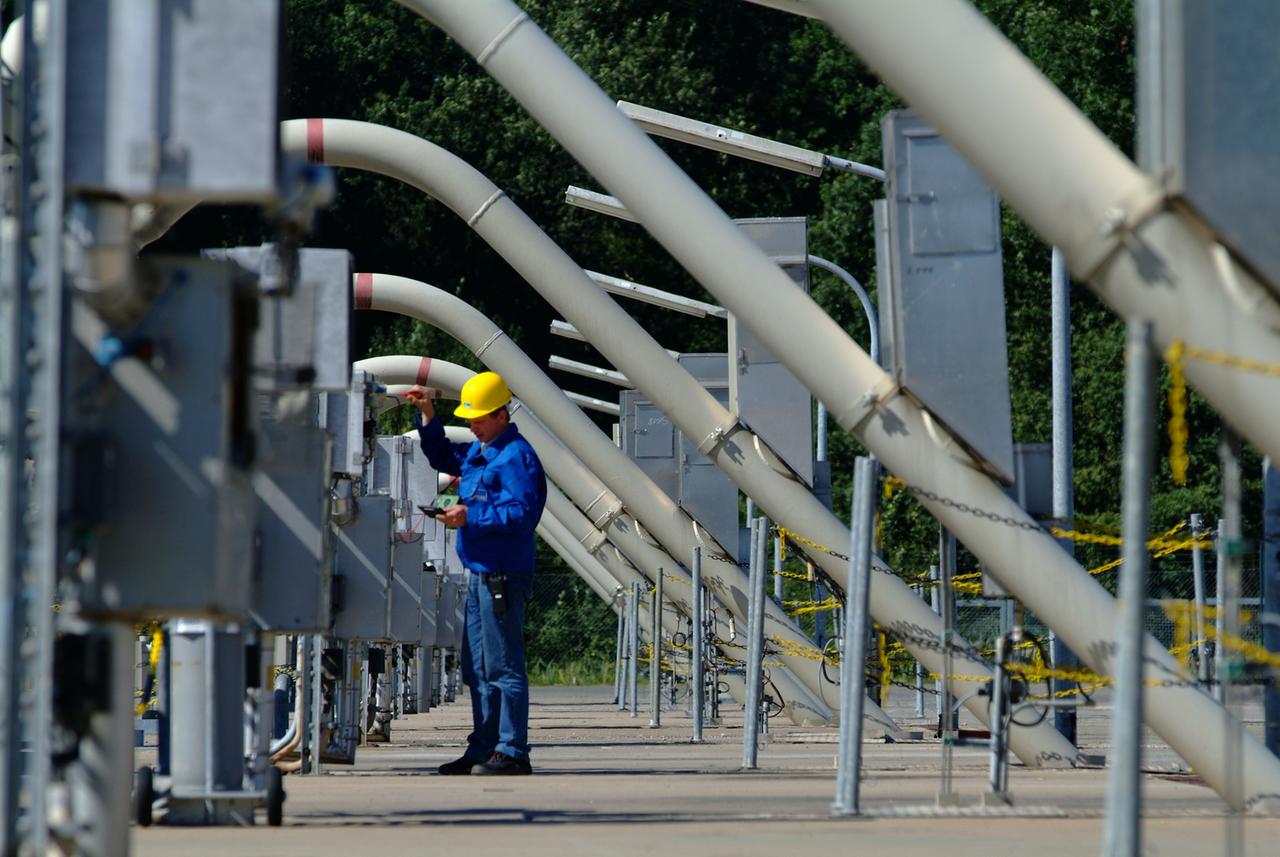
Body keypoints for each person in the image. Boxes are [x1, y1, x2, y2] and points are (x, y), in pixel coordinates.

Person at [404, 371, 546, 776]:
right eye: (470, 417)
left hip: (502, 573)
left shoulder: (516, 456)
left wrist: (470, 515)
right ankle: (484, 747)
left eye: (480, 417)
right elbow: (445, 458)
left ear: (502, 415)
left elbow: (522, 514)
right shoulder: (485, 452)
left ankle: (512, 750)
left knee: (503, 665)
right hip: (482, 573)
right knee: (478, 666)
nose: (473, 424)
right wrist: (429, 416)